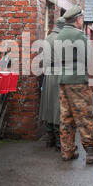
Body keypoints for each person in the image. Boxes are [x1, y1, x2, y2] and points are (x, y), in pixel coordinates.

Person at [56, 5, 93, 164]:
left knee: (66, 117)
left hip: (63, 80)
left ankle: (67, 152)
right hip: (77, 81)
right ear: (77, 20)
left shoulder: (60, 35)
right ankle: (91, 152)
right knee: (85, 116)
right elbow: (88, 61)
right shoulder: (79, 36)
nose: (82, 21)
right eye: (81, 18)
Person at [39, 17, 66, 151]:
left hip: (48, 75)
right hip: (58, 75)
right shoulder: (62, 39)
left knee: (49, 107)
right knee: (57, 108)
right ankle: (59, 142)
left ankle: (50, 139)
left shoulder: (48, 38)